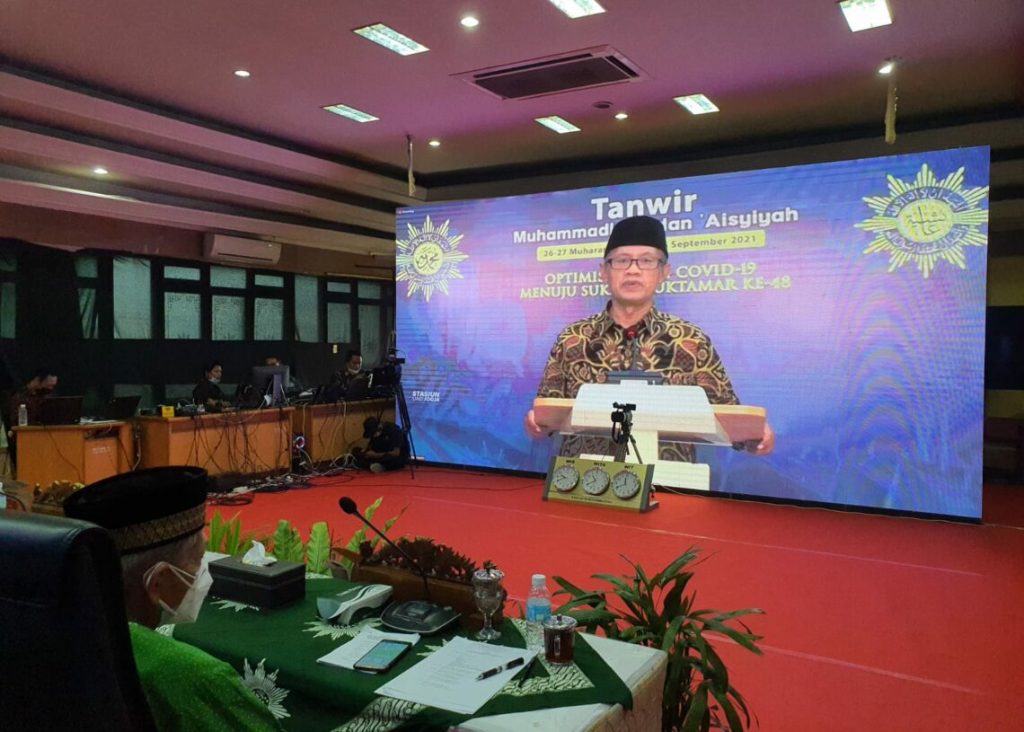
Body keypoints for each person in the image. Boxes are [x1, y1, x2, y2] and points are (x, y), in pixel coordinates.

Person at [524, 215, 774, 459]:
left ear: (664, 272)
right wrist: (535, 423)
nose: (633, 271)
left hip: (670, 487)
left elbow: (728, 417)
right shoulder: (573, 339)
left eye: (646, 261)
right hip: (588, 484)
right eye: (622, 261)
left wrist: (755, 436)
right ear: (604, 272)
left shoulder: (690, 341)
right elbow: (547, 414)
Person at [63, 467, 281, 731]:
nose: (203, 574)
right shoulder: (194, 676)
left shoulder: (53, 637)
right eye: (199, 560)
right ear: (157, 583)